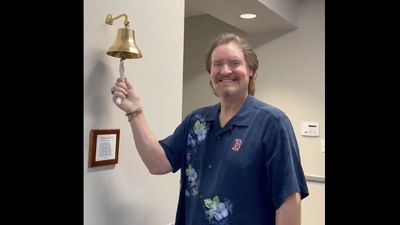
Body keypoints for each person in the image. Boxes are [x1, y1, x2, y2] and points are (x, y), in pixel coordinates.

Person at [111, 33, 309, 225]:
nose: (225, 71)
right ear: (210, 73)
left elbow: (289, 201)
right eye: (217, 64)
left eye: (235, 63)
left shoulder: (272, 123)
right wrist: (135, 112)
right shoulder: (197, 121)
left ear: (251, 70)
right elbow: (157, 164)